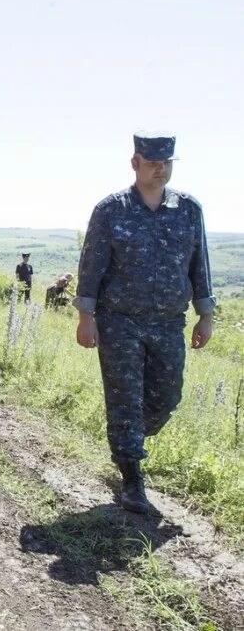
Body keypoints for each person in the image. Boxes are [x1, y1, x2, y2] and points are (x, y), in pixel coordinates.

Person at [75, 132, 215, 513]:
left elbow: (199, 262)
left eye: (166, 162)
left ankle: (131, 438)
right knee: (124, 397)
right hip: (119, 322)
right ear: (135, 163)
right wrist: (86, 316)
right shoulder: (111, 210)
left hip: (170, 322)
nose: (161, 168)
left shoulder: (188, 209)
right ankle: (132, 477)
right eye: (153, 162)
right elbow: (92, 266)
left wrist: (205, 313)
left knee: (165, 397)